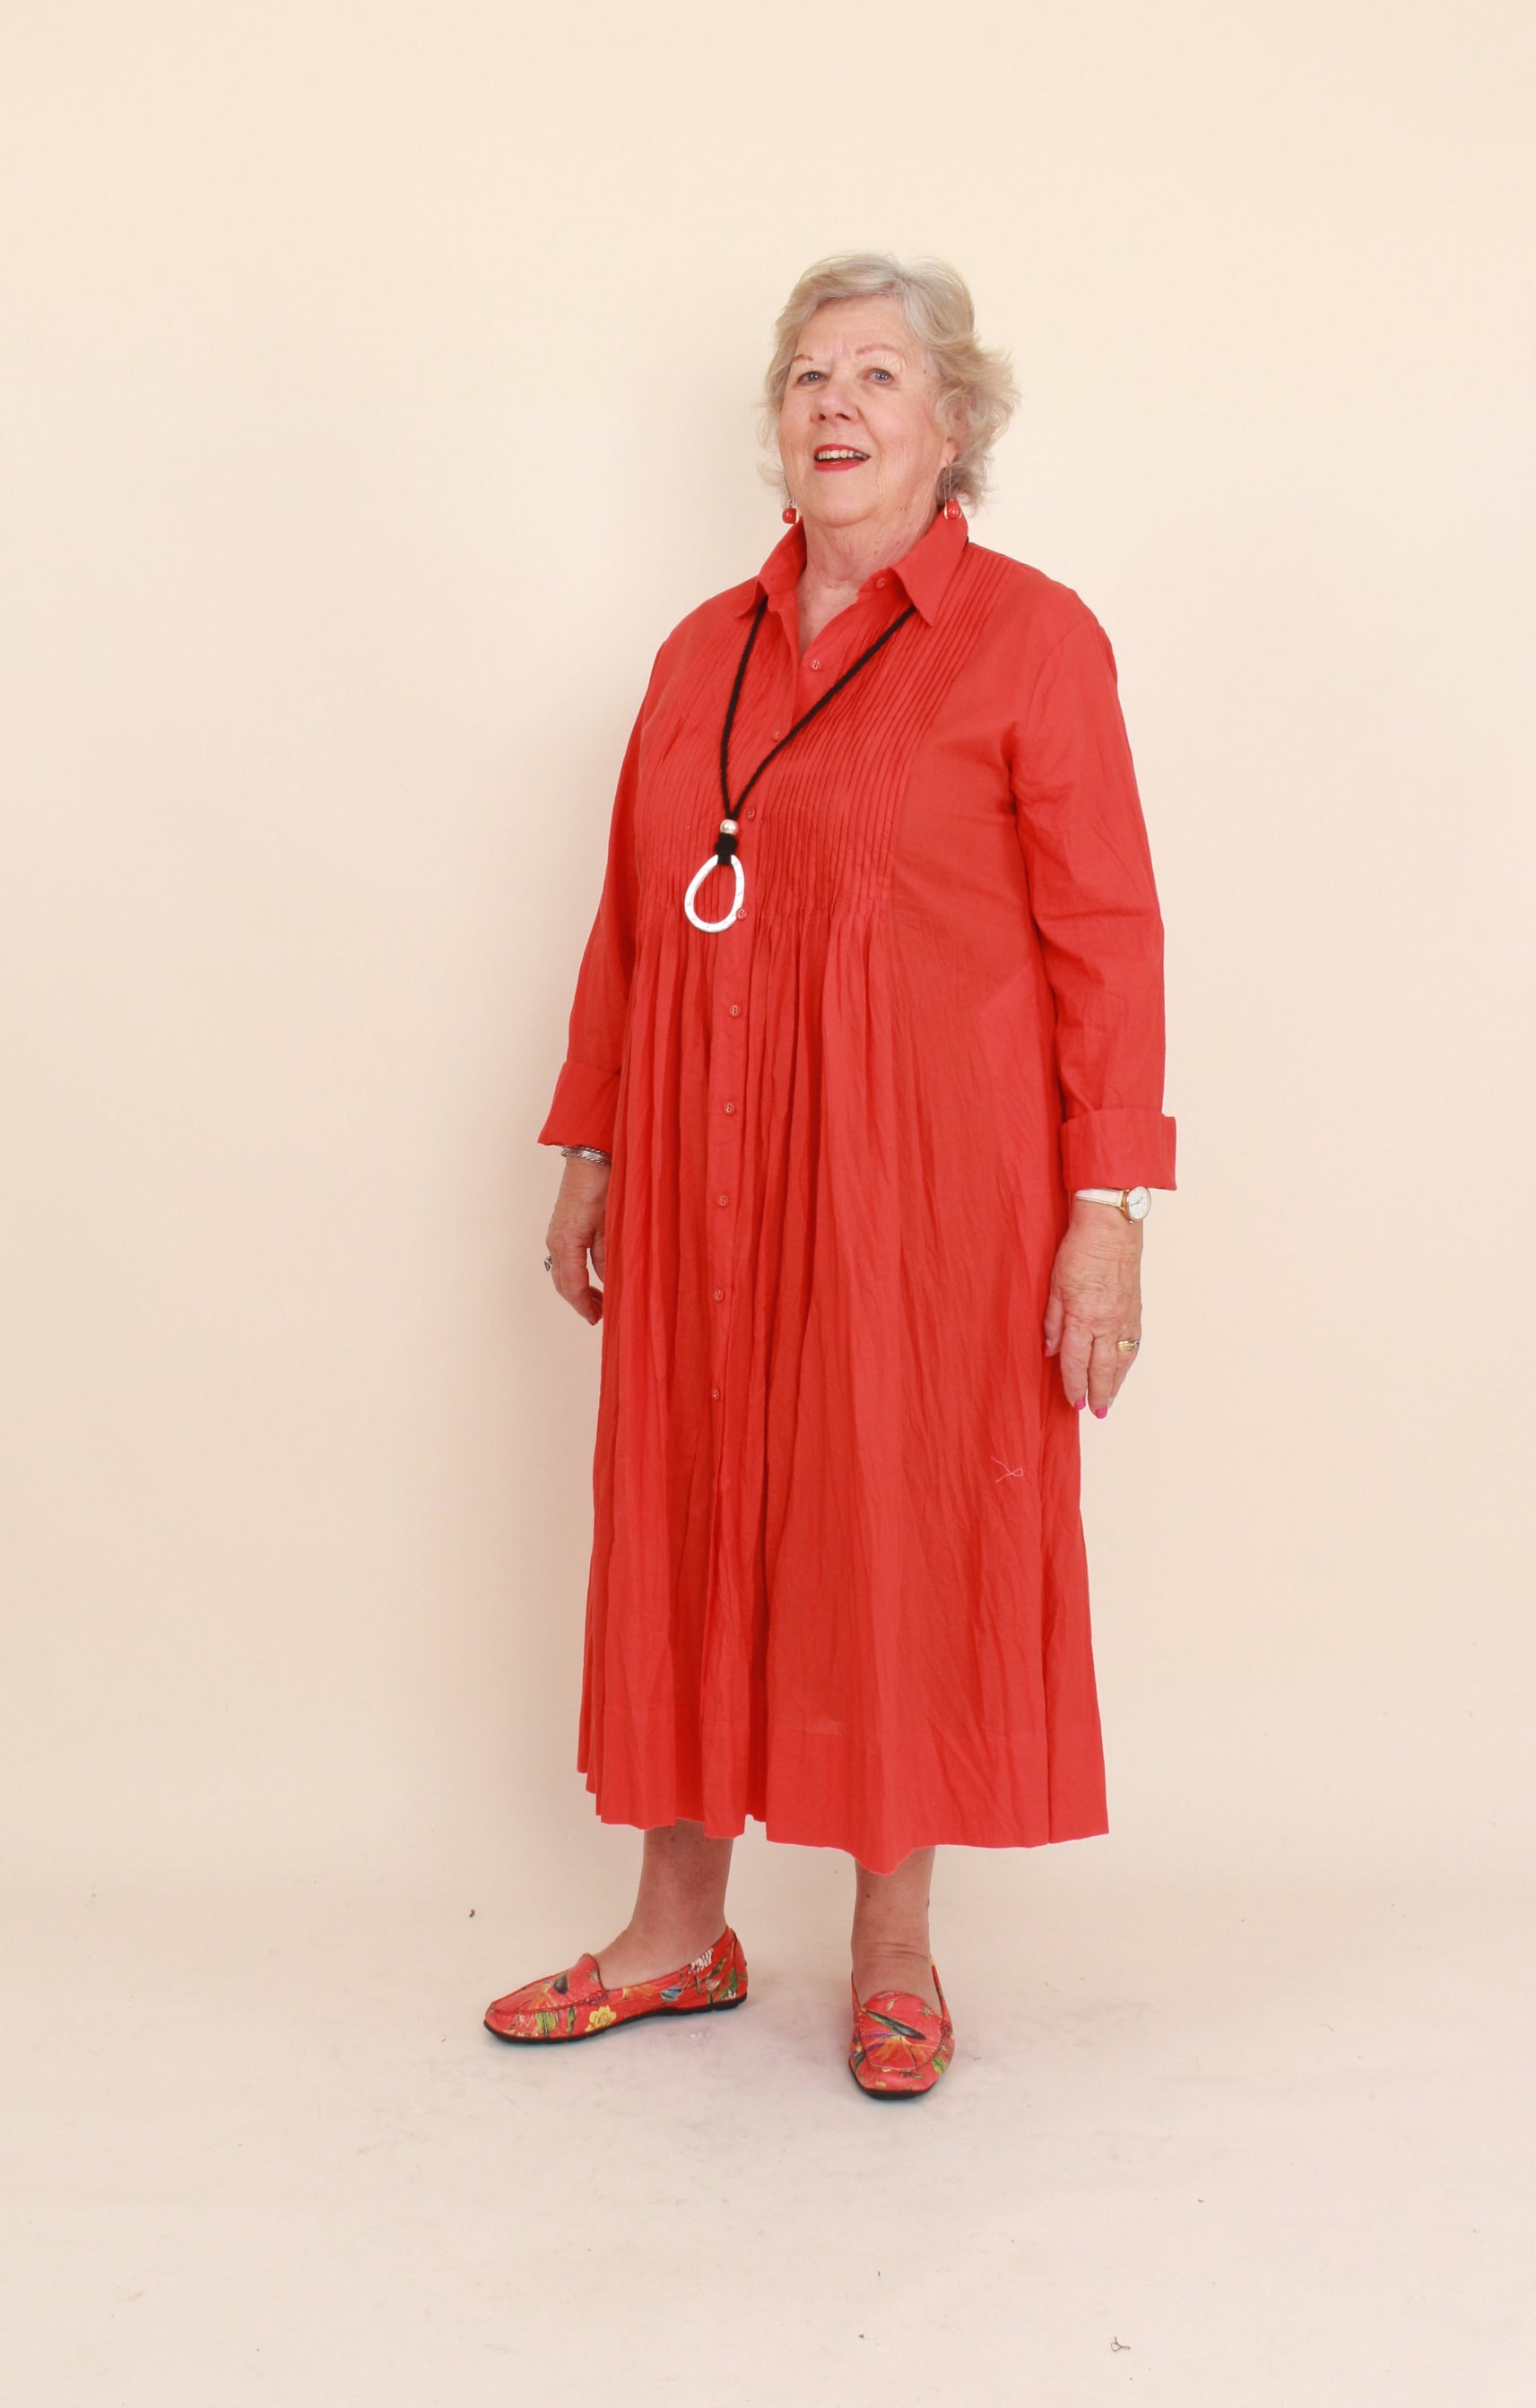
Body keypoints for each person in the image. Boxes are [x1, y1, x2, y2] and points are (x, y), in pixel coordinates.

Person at [484, 253, 1177, 2096]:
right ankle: (674, 1927)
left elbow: (1111, 932)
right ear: (779, 430)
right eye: (807, 374)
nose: (835, 402)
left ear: (956, 430)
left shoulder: (1032, 637)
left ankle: (893, 1945)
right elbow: (636, 915)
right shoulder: (700, 650)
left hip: (924, 1183)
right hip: (707, 1165)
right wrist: (595, 1140)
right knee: (691, 1503)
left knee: (889, 1517)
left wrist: (1105, 1206)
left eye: (879, 373)